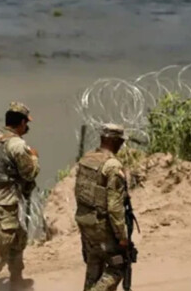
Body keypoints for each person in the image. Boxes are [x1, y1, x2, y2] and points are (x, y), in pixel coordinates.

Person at [0, 102, 39, 291]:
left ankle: (16, 279)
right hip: (4, 200)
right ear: (21, 122)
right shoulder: (17, 145)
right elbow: (30, 173)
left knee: (17, 238)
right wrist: (34, 157)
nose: (27, 127)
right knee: (0, 245)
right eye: (26, 123)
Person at [74, 123, 132, 291]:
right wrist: (122, 236)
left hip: (85, 221)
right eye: (120, 142)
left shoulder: (87, 159)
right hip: (102, 226)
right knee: (117, 266)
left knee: (94, 266)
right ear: (115, 141)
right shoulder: (112, 166)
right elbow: (114, 207)